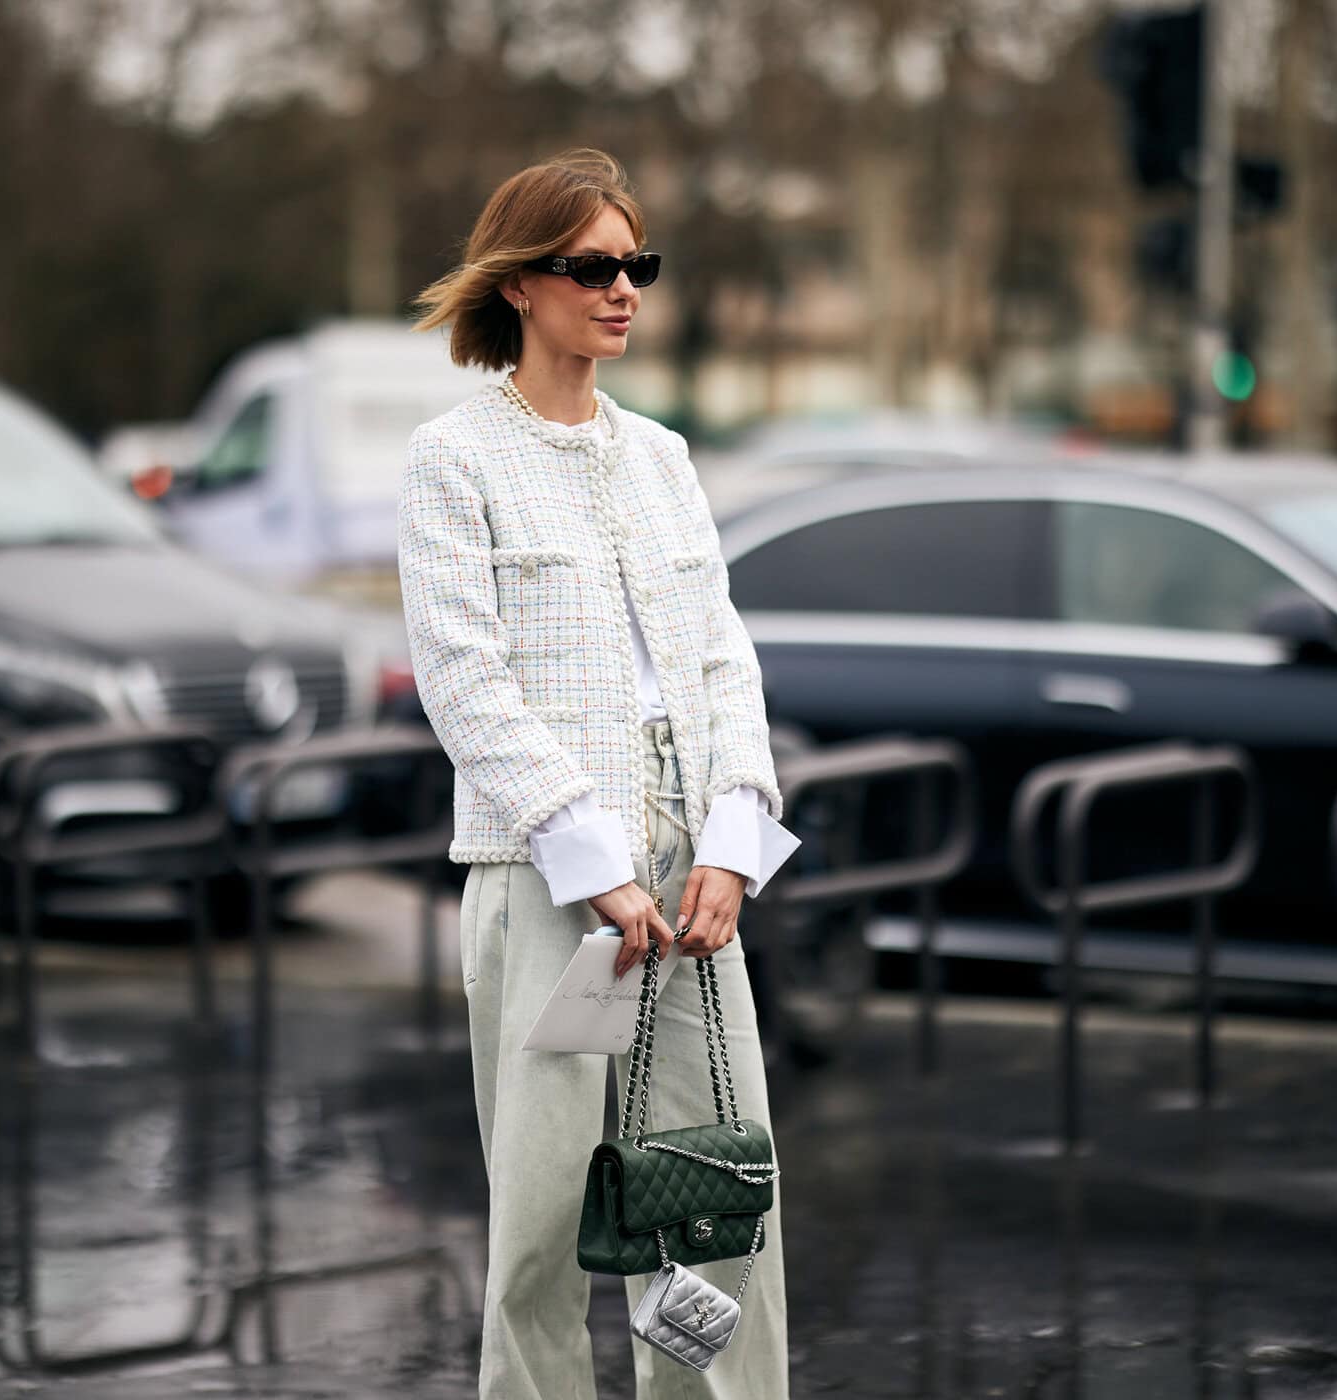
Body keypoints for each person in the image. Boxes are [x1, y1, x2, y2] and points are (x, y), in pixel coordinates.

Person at [398, 149, 799, 1399]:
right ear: (520, 284)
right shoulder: (453, 459)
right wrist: (594, 858)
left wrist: (734, 839)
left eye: (638, 265)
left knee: (717, 1198)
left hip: (693, 880)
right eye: (592, 267)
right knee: (542, 1220)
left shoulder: (664, 456)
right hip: (546, 880)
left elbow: (724, 659)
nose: (622, 289)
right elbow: (464, 683)